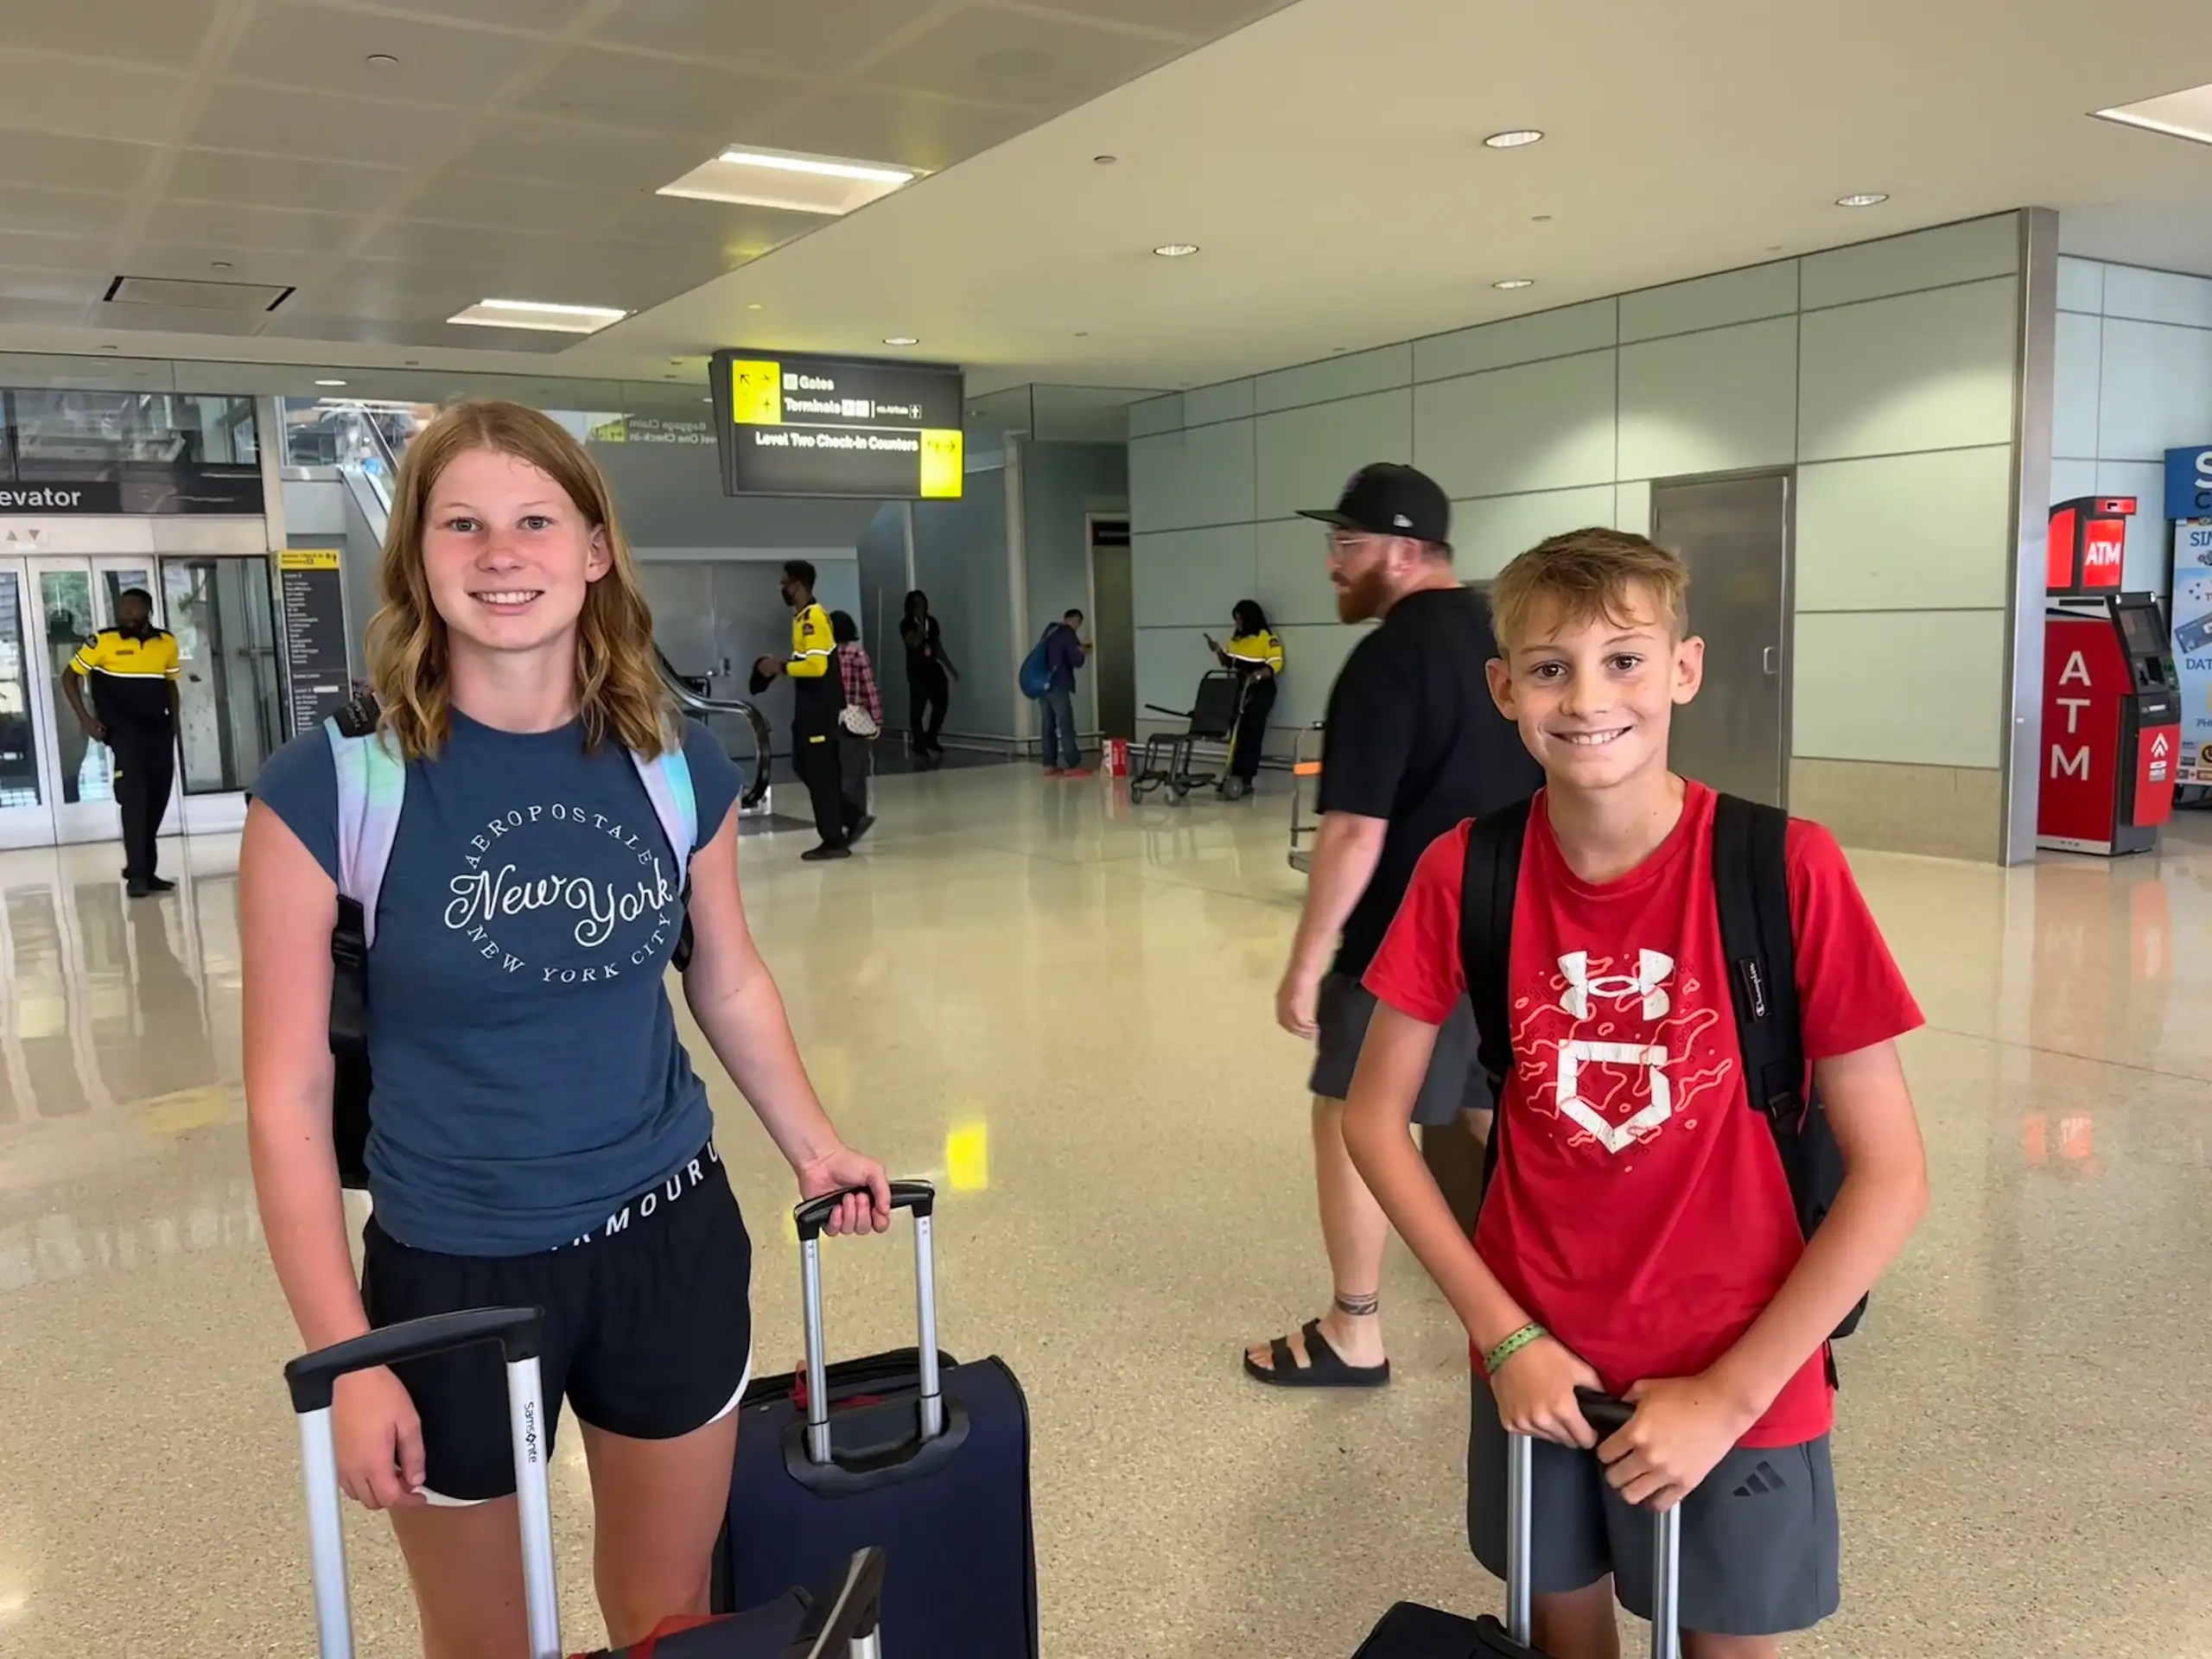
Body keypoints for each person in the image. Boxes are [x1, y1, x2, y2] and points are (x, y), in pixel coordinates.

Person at [240, 399, 893, 1657]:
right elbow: (285, 1093)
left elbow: (728, 977)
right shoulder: (329, 790)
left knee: (666, 1619)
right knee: (486, 1642)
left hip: (669, 1243)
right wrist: (346, 1354)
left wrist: (813, 1145)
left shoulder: (673, 761)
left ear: (595, 551)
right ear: (418, 562)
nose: (502, 553)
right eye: (464, 524)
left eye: (537, 520)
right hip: (454, 1278)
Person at [1344, 528, 1929, 1657]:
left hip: (1742, 1370)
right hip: (1538, 1366)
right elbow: (1374, 1121)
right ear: (1504, 688)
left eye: (1623, 659)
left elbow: (1894, 1176)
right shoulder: (1468, 870)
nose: (1586, 698)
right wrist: (1502, 1337)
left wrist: (1729, 1395)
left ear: (1684, 669)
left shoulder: (1783, 868)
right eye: (1551, 667)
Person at [1244, 462, 1539, 1389]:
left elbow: (1353, 830)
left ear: (1406, 552)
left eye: (1349, 545)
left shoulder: (1388, 657)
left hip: (1406, 944)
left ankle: (1354, 1328)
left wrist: (1304, 964)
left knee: (1346, 1118)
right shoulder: (1508, 634)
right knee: (1507, 1112)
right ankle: (1627, 1271)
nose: (1333, 564)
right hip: (1513, 924)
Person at [65, 587, 180, 897]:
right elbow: (69, 677)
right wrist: (86, 720)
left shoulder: (166, 643)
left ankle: (146, 869)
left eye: (133, 609)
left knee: (158, 798)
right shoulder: (102, 641)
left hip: (158, 730)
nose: (126, 614)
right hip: (124, 733)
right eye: (122, 609)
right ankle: (138, 876)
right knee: (135, 800)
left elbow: (170, 685)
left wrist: (174, 723)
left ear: (147, 610)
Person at [753, 560, 850, 861]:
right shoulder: (801, 618)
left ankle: (833, 838)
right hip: (809, 711)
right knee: (804, 765)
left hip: (820, 712)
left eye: (785, 584)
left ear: (799, 585)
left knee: (820, 772)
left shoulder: (814, 619)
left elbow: (817, 666)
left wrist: (780, 667)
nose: (783, 589)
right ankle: (846, 815)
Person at [1205, 599, 1283, 800]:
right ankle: (1232, 773)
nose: (1237, 624)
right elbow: (1229, 663)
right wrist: (1218, 651)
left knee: (1252, 731)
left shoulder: (1267, 638)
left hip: (1259, 690)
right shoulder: (1237, 640)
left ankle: (1245, 778)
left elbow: (1275, 664)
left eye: (1239, 620)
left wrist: (1257, 676)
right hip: (1239, 689)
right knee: (1236, 731)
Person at [830, 609, 879, 849]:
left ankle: (847, 820)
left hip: (833, 720)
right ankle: (856, 820)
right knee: (857, 775)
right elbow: (870, 690)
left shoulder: (827, 657)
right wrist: (877, 720)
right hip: (856, 720)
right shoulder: (857, 655)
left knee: (841, 774)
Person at [898, 590, 957, 760]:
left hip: (933, 667)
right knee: (918, 708)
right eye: (916, 604)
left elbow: (937, 647)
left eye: (922, 603)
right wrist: (920, 626)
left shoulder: (932, 622)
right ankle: (918, 743)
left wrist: (950, 668)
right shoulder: (907, 623)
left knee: (941, 704)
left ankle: (932, 737)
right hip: (917, 670)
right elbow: (913, 643)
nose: (920, 607)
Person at [1039, 608, 1091, 778]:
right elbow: (1076, 660)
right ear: (1075, 620)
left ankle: (1049, 764)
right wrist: (1082, 651)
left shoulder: (1050, 630)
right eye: (1079, 624)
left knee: (1048, 726)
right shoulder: (1068, 633)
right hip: (1059, 684)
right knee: (1066, 724)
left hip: (1043, 685)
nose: (1078, 628)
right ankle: (1073, 763)